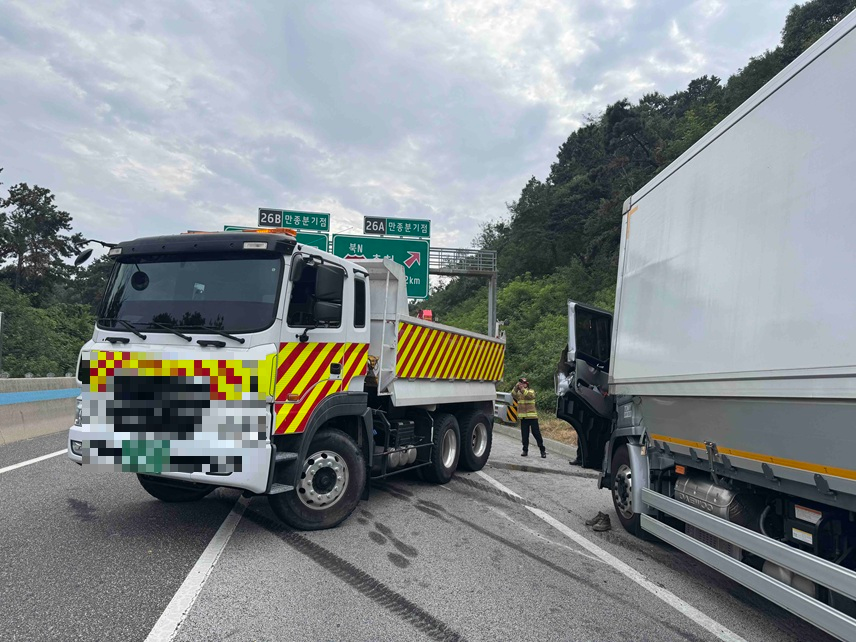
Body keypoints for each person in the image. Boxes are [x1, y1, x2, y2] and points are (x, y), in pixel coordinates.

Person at [512, 377, 546, 458]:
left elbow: (530, 396)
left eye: (523, 383)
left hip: (532, 417)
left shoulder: (531, 391)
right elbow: (513, 394)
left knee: (536, 434)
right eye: (521, 383)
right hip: (523, 418)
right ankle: (525, 450)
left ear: (527, 384)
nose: (522, 385)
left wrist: (522, 389)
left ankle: (542, 450)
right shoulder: (519, 394)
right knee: (524, 435)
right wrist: (516, 387)